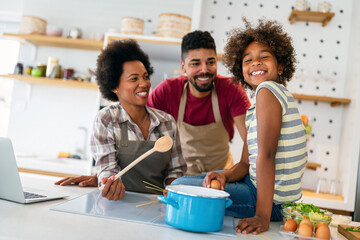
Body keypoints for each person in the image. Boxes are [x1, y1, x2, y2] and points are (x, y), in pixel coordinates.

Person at [173, 19, 308, 235]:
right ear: (241, 69)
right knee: (199, 181)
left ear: (281, 65)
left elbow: (266, 155)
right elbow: (246, 163)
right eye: (248, 60)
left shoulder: (268, 91)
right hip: (256, 187)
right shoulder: (261, 102)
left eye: (264, 57)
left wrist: (262, 217)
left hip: (270, 202)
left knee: (180, 186)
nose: (255, 63)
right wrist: (225, 176)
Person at [55, 40, 187, 200]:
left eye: (145, 77)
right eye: (134, 79)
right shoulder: (106, 120)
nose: (144, 84)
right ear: (114, 86)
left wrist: (172, 188)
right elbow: (107, 170)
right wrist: (108, 183)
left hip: (157, 206)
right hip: (117, 203)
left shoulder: (166, 122)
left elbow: (176, 170)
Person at [148, 30, 251, 175]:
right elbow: (144, 135)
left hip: (222, 176)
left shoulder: (231, 89)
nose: (204, 70)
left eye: (210, 62)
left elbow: (251, 139)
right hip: (180, 177)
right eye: (195, 64)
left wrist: (239, 172)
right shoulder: (167, 91)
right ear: (183, 67)